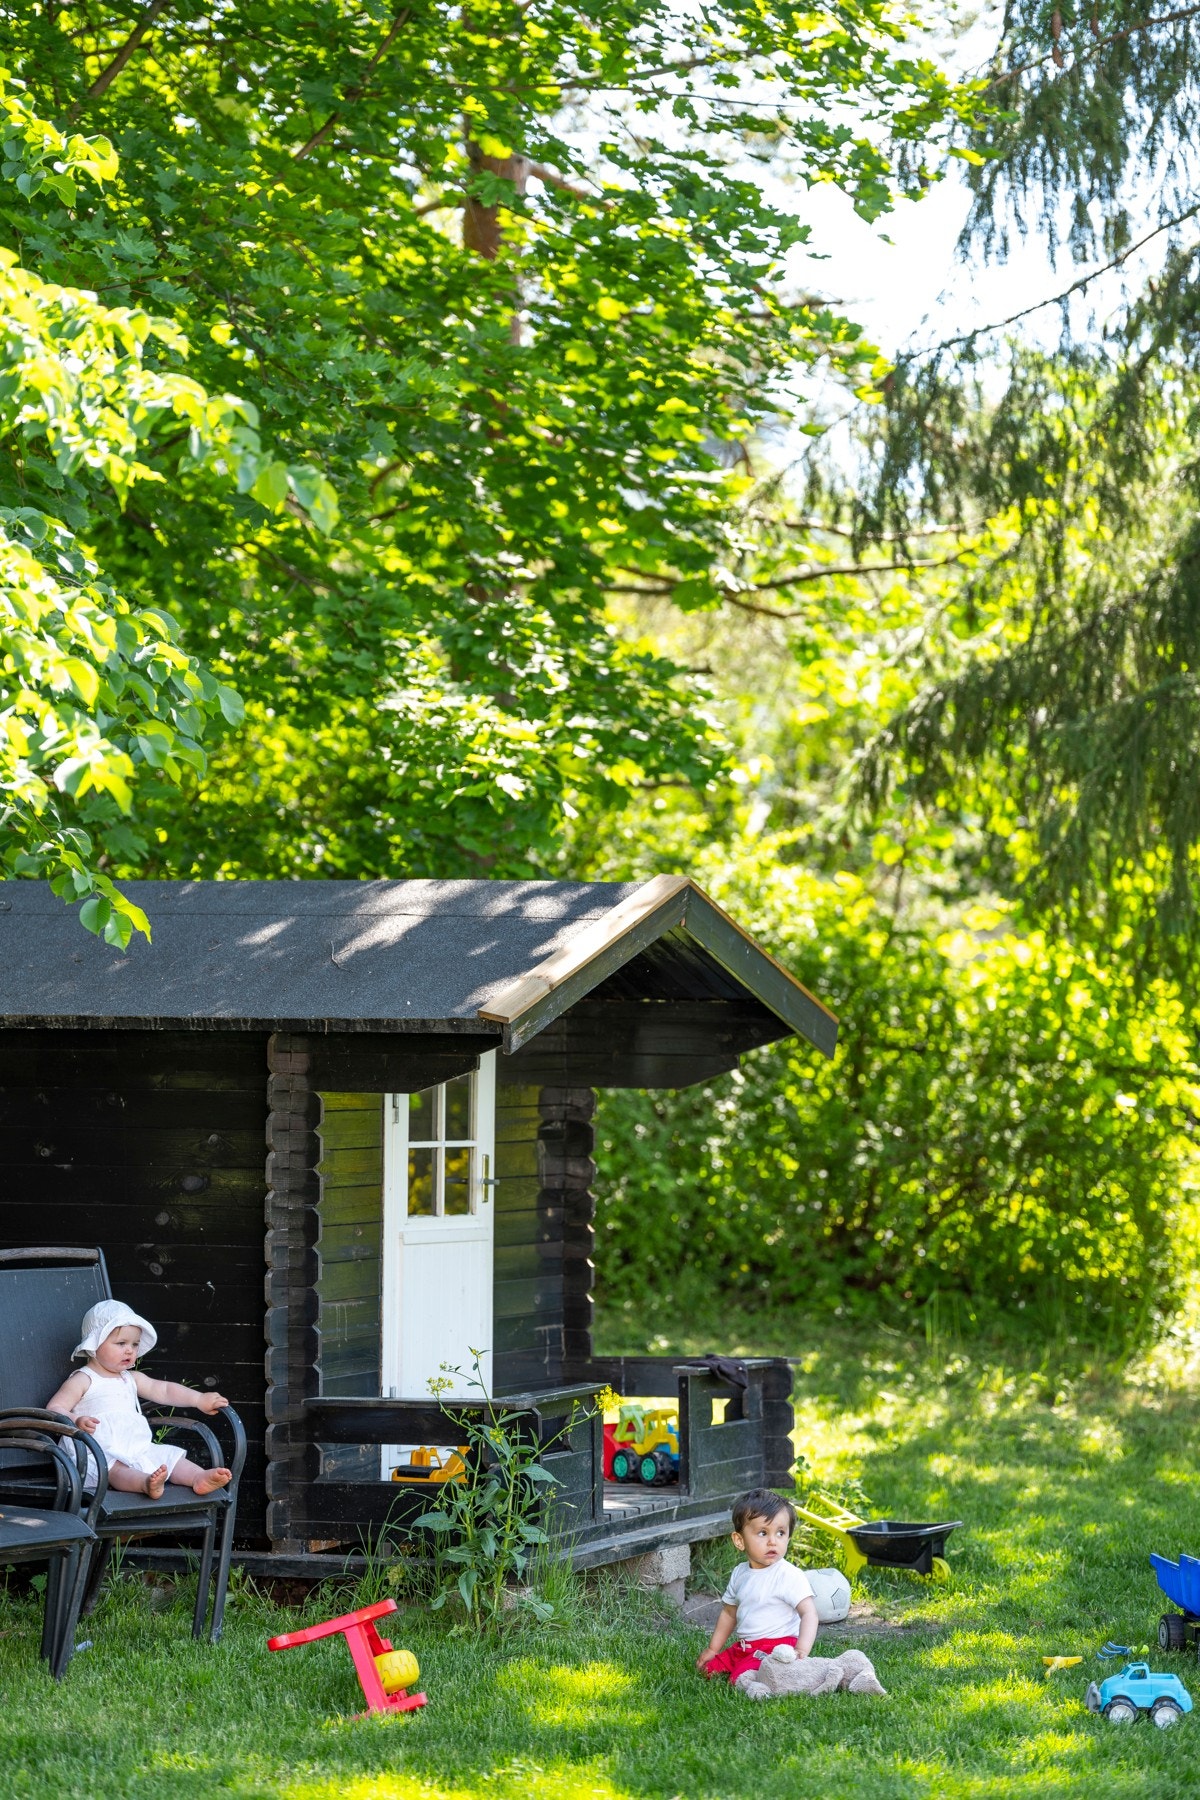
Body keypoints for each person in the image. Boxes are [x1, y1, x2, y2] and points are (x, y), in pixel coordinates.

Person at [45, 1300, 232, 1499]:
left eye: (135, 1344)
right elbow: (55, 1407)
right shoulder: (84, 1379)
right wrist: (75, 1421)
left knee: (169, 1457)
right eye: (121, 1343)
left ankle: (198, 1477)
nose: (130, 1350)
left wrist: (198, 1399)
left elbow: (164, 1389)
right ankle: (145, 1483)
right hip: (96, 1451)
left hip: (135, 1448)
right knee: (115, 1469)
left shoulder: (131, 1378)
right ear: (94, 1344)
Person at [697, 1488, 818, 1693]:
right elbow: (729, 1613)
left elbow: (809, 1613)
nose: (773, 1541)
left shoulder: (788, 1575)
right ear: (739, 1540)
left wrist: (801, 1650)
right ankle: (748, 1669)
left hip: (777, 1647)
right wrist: (713, 1649)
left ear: (788, 1537)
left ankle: (760, 1684)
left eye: (780, 1533)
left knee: (739, 1678)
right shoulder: (740, 1573)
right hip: (746, 1647)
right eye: (763, 1533)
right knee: (708, 1670)